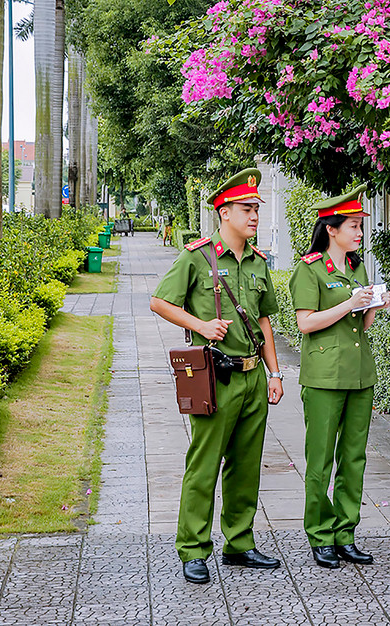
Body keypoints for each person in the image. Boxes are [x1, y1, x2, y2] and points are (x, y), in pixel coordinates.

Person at [150, 168, 285, 584]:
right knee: (204, 464)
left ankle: (239, 543)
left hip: (252, 377)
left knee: (246, 465)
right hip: (214, 378)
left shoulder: (258, 262)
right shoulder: (197, 256)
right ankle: (193, 548)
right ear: (223, 212)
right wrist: (201, 324)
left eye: (257, 209)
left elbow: (263, 321)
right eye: (246, 209)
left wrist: (274, 372)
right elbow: (159, 301)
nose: (254, 216)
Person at [289, 184, 390, 569]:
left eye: (360, 227)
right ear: (331, 229)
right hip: (323, 379)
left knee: (354, 459)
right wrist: (349, 302)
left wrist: (375, 305)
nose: (359, 234)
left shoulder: (356, 265)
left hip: (360, 375)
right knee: (320, 461)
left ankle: (346, 534)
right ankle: (320, 535)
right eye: (353, 226)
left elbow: (360, 325)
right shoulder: (309, 268)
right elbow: (305, 323)